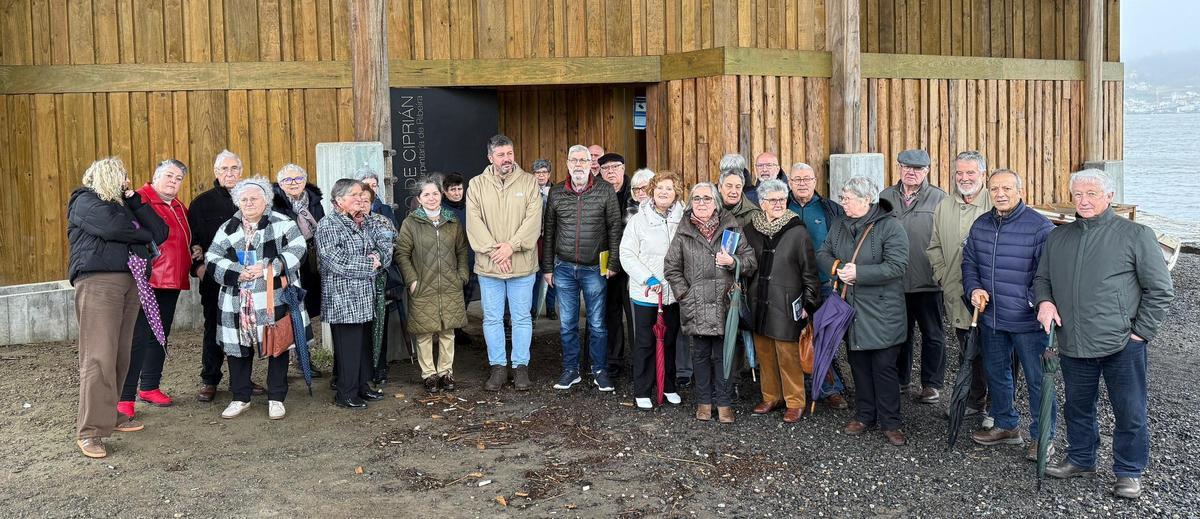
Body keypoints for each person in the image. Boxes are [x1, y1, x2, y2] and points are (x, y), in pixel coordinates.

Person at [1036, 169, 1174, 499]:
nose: (1083, 200)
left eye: (1092, 194)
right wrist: (1044, 303)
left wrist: (1141, 333)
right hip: (1073, 342)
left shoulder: (1136, 234)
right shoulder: (1059, 237)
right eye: (1078, 195)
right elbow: (1042, 280)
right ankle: (1082, 458)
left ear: (1109, 197)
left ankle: (1128, 471)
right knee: (1077, 407)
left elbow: (1160, 289)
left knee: (1130, 411)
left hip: (1122, 345)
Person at [68, 157, 168, 458]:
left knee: (120, 354)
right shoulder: (84, 201)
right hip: (99, 281)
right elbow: (113, 228)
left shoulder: (124, 204)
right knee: (98, 356)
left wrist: (134, 199)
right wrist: (143, 235)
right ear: (102, 177)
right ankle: (90, 432)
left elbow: (160, 231)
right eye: (120, 176)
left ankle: (111, 416)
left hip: (131, 280)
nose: (125, 180)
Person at [961, 169, 1056, 460]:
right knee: (997, 375)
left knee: (1038, 380)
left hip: (1028, 321)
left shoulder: (1040, 227)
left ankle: (1042, 438)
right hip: (991, 318)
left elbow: (1049, 274)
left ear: (1019, 190)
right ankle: (1005, 425)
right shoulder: (981, 225)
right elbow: (969, 263)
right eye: (995, 189)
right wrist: (974, 288)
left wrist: (1032, 302)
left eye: (1006, 188)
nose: (1000, 194)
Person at [205, 177, 312, 421]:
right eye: (244, 199)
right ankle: (240, 398)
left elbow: (298, 250)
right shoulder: (228, 227)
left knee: (277, 344)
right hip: (237, 298)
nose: (249, 202)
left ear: (266, 201)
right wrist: (236, 271)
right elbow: (212, 256)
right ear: (237, 202)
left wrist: (268, 267)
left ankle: (276, 397)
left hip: (273, 296)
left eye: (254, 198)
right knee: (238, 348)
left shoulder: (283, 223)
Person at [817, 176, 910, 446]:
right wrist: (836, 268)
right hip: (852, 310)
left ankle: (891, 422)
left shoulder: (890, 227)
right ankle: (865, 415)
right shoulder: (840, 224)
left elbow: (897, 266)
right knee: (858, 365)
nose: (842, 202)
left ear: (865, 200)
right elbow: (822, 252)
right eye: (843, 197)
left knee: (883, 367)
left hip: (883, 311)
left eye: (847, 198)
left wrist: (860, 273)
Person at [664, 183, 757, 424]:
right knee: (701, 355)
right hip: (695, 304)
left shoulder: (732, 227)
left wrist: (733, 261)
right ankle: (704, 402)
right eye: (696, 198)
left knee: (724, 354)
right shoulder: (683, 230)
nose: (702, 203)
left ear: (716, 202)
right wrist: (685, 294)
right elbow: (671, 267)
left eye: (707, 198)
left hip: (724, 302)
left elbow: (750, 261)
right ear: (690, 202)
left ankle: (724, 403)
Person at [543, 145, 624, 391]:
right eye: (574, 160)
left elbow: (614, 228)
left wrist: (613, 263)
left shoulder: (605, 190)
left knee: (598, 324)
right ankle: (571, 370)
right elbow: (549, 233)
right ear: (567, 163)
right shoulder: (557, 192)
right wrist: (547, 268)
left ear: (591, 164)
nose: (578, 164)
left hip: (593, 269)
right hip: (564, 268)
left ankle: (599, 370)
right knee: (567, 324)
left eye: (583, 160)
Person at [466, 135, 543, 392]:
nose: (507, 158)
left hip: (521, 264)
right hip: (490, 266)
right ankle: (498, 366)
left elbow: (534, 221)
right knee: (492, 318)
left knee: (521, 318)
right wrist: (495, 252)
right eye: (501, 155)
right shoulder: (476, 185)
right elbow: (474, 222)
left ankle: (521, 367)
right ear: (490, 158)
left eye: (509, 153)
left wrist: (511, 247)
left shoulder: (529, 182)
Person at [118, 159, 192, 419]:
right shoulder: (139, 200)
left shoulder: (179, 206)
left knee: (160, 336)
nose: (174, 181)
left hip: (172, 280)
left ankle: (149, 385)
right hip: (148, 279)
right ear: (155, 176)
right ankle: (125, 396)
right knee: (137, 337)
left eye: (179, 178)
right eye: (169, 175)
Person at [189, 150, 264, 402]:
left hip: (249, 276)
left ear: (241, 172)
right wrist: (198, 269)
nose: (229, 173)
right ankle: (209, 379)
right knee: (214, 327)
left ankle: (241, 380)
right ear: (216, 173)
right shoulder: (201, 203)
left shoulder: (252, 198)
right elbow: (192, 241)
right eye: (224, 169)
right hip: (215, 278)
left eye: (234, 169)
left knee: (246, 326)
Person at [926, 151, 994, 424]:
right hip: (956, 293)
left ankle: (997, 408)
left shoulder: (995, 202)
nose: (964, 178)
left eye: (970, 173)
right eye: (959, 173)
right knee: (968, 351)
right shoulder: (945, 205)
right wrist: (942, 276)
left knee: (997, 356)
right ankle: (975, 402)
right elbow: (934, 247)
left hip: (990, 299)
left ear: (982, 175)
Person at [745, 179, 821, 423]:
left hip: (787, 301)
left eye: (781, 199)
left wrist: (809, 304)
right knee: (764, 352)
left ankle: (795, 401)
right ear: (762, 203)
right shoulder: (751, 229)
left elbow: (810, 272)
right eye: (772, 200)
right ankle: (771, 396)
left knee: (788, 354)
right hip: (759, 300)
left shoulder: (798, 231)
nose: (778, 204)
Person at [315, 179, 394, 409]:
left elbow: (377, 251)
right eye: (355, 195)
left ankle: (361, 386)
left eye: (362, 194)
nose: (361, 198)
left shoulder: (364, 222)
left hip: (364, 295)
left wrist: (376, 259)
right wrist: (370, 265)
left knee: (362, 347)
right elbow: (335, 261)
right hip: (343, 298)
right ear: (339, 201)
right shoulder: (329, 225)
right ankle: (345, 393)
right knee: (348, 348)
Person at [879, 149, 947, 404]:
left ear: (927, 171)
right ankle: (900, 379)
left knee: (933, 334)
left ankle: (931, 384)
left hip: (928, 280)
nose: (911, 172)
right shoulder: (885, 197)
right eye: (906, 167)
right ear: (898, 167)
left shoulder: (940, 198)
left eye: (918, 169)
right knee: (900, 333)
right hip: (895, 280)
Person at [395, 178, 469, 394]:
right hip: (422, 285)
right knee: (424, 332)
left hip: (449, 284)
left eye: (435, 194)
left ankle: (446, 372)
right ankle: (429, 374)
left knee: (448, 331)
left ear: (441, 196)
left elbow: (462, 250)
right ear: (419, 199)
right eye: (426, 195)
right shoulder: (411, 223)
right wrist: (412, 280)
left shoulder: (452, 221)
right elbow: (402, 253)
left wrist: (462, 274)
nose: (431, 198)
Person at [786, 162, 849, 409]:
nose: (802, 183)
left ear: (815, 181)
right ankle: (798, 387)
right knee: (795, 337)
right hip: (791, 285)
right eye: (797, 179)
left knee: (825, 336)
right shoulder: (782, 205)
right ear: (789, 182)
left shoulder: (829, 209)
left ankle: (830, 388)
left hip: (824, 283)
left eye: (807, 179)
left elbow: (843, 243)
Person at [620, 170, 685, 410]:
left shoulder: (683, 218)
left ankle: (668, 386)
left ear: (676, 192)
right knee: (645, 341)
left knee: (670, 341)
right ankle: (643, 389)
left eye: (669, 188)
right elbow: (626, 253)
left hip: (674, 292)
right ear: (652, 192)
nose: (664, 193)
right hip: (647, 292)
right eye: (659, 188)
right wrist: (647, 278)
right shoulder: (639, 220)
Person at [270, 163, 325, 328]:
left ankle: (305, 334)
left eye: (298, 178)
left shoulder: (314, 202)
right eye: (288, 179)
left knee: (310, 296)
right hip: (289, 254)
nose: (293, 182)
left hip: (312, 254)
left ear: (304, 181)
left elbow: (321, 224)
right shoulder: (275, 204)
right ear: (280, 183)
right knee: (292, 298)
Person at [598, 152, 635, 378]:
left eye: (615, 167)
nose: (611, 171)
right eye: (606, 168)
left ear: (623, 168)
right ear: (600, 172)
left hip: (632, 264)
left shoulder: (636, 191)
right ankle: (614, 360)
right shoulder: (598, 192)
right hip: (606, 261)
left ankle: (640, 360)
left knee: (634, 315)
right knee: (611, 313)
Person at [442, 172, 479, 344]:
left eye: (459, 189)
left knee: (466, 297)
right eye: (453, 190)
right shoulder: (442, 210)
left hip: (471, 259)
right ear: (445, 191)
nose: (457, 193)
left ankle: (459, 330)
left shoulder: (470, 206)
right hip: (451, 262)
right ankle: (450, 332)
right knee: (452, 298)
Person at [530, 159, 557, 320]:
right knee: (536, 275)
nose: (541, 176)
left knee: (552, 274)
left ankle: (551, 307)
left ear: (549, 174)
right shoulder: (529, 190)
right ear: (533, 175)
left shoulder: (556, 191)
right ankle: (533, 308)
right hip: (535, 239)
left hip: (551, 238)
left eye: (544, 172)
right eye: (538, 173)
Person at [717, 154, 763, 228]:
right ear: (720, 187)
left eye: (738, 187)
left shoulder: (754, 214)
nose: (734, 191)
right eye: (729, 186)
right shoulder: (707, 208)